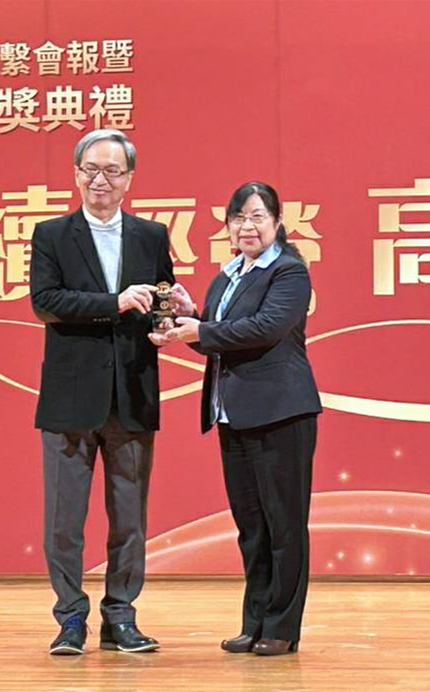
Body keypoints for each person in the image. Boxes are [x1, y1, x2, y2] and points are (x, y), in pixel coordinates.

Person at [29, 129, 187, 655]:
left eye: (112, 171)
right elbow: (47, 302)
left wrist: (172, 316)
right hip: (71, 398)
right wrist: (114, 302)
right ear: (76, 174)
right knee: (65, 522)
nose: (101, 180)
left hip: (133, 394)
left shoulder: (151, 235)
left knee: (130, 521)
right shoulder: (52, 234)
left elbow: (160, 302)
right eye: (91, 169)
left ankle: (121, 617)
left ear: (129, 179)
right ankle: (70, 618)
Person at [154, 181, 322, 656]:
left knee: (284, 524)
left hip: (281, 412)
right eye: (238, 218)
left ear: (277, 223)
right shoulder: (227, 276)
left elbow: (264, 329)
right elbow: (219, 337)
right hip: (233, 415)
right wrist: (190, 315)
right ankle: (255, 622)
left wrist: (201, 328)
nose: (247, 227)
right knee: (252, 526)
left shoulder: (290, 272)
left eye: (257, 217)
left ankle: (282, 628)